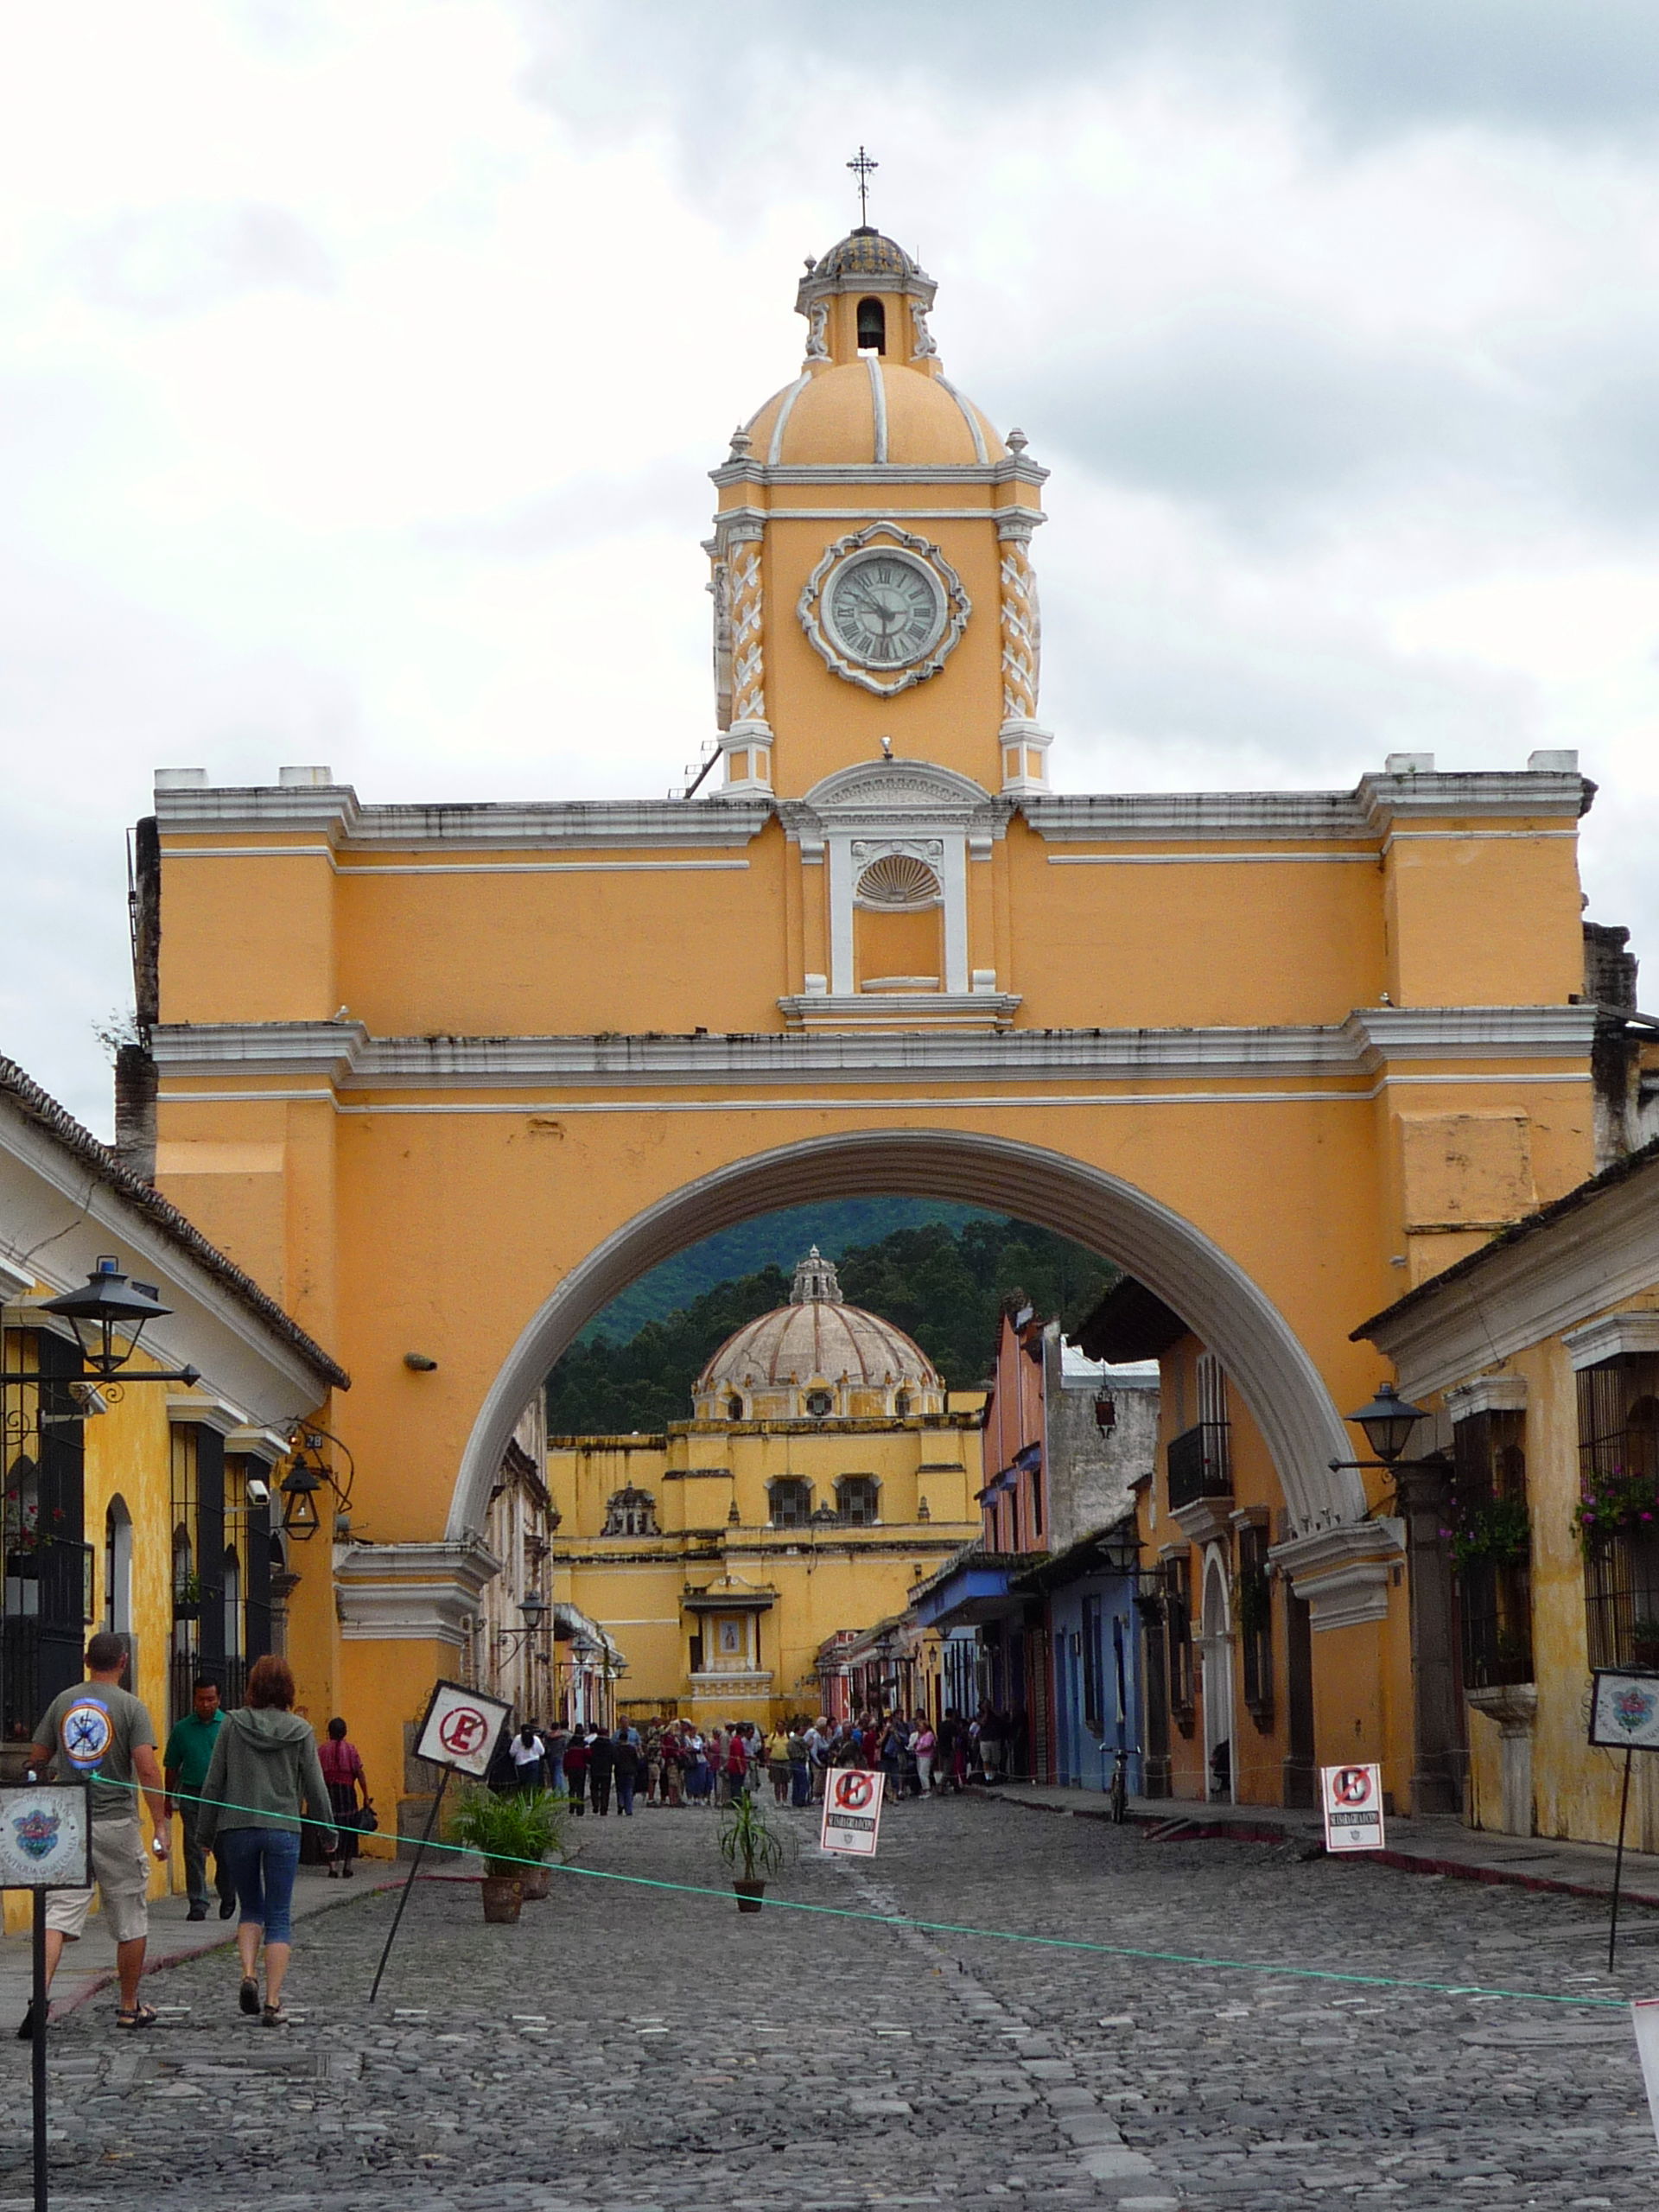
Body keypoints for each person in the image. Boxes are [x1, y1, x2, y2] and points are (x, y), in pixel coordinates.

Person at [22, 1630, 170, 2037]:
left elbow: (37, 1760)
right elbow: (147, 1768)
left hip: (70, 1822)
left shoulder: (63, 1702)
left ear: (86, 1661)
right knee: (130, 1916)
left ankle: (39, 1997)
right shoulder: (132, 1708)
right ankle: (128, 2006)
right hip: (116, 1822)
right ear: (123, 1662)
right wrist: (161, 1824)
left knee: (57, 1915)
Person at [198, 1654, 335, 2026]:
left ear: (253, 1686)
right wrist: (328, 1830)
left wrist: (204, 1833)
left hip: (237, 1827)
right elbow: (315, 1786)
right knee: (278, 1915)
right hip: (282, 1831)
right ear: (288, 1689)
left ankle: (248, 1973)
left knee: (250, 1908)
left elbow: (214, 1781)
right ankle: (273, 2002)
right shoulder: (301, 1731)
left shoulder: (232, 1724)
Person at [163, 1677, 235, 1921]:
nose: (206, 1704)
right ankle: (198, 1902)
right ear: (194, 1699)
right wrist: (168, 1795)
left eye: (211, 1699)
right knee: (194, 1849)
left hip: (223, 1797)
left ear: (219, 1700)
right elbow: (172, 1765)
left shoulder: (228, 1726)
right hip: (192, 1794)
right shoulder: (182, 1730)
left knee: (224, 1849)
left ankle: (227, 1892)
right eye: (201, 1699)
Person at [319, 1717, 367, 1878]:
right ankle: (347, 1866)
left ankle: (332, 1867)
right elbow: (360, 1773)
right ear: (345, 1732)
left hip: (329, 1793)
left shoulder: (322, 1750)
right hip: (347, 1793)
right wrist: (366, 1795)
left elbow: (316, 1774)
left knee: (330, 1827)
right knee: (349, 1828)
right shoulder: (351, 1750)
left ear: (329, 1732)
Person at [507, 1723, 545, 1794]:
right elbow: (542, 1752)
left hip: (520, 1764)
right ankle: (531, 1800)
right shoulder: (536, 1739)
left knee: (523, 1784)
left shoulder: (517, 1739)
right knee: (532, 1783)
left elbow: (512, 1752)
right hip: (534, 1763)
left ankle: (524, 1799)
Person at [587, 1726, 615, 1815]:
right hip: (606, 1770)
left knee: (594, 1788)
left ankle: (595, 1805)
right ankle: (604, 1809)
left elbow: (589, 1757)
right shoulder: (611, 1745)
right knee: (605, 1790)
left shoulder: (593, 1745)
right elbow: (614, 1758)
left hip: (595, 1770)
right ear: (607, 1734)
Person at [612, 1726, 640, 1816]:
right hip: (630, 1771)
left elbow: (614, 1760)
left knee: (620, 1789)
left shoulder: (617, 1749)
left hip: (619, 1771)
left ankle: (621, 1804)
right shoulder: (632, 1749)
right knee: (629, 1790)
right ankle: (629, 1809)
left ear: (620, 1739)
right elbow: (636, 1760)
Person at [563, 1726, 588, 1815]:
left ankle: (572, 1806)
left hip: (571, 1768)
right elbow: (588, 1756)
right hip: (581, 1768)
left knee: (572, 1788)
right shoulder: (584, 1744)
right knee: (580, 1788)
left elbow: (566, 1757)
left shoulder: (570, 1744)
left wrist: (565, 1769)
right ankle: (580, 1809)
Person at [786, 1722, 811, 1808]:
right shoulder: (799, 1739)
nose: (803, 1731)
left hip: (792, 1761)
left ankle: (795, 1799)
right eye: (802, 1729)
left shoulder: (791, 1739)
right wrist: (811, 1742)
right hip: (800, 1761)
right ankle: (801, 1800)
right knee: (803, 1781)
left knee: (795, 1782)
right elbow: (807, 1746)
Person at [766, 1724, 791, 1805]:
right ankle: (777, 1800)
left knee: (785, 1782)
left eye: (782, 1726)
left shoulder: (788, 1736)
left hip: (786, 1761)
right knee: (776, 1782)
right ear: (776, 1727)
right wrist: (768, 1761)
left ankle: (784, 1800)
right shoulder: (772, 1736)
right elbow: (767, 1748)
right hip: (775, 1761)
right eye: (779, 1726)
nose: (781, 1728)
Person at [913, 1715, 937, 1796]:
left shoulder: (929, 1734)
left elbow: (927, 1746)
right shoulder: (921, 1735)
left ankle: (927, 1789)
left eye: (920, 1726)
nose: (919, 1728)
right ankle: (924, 1788)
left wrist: (918, 1749)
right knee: (920, 1773)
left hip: (926, 1756)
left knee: (924, 1773)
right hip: (919, 1756)